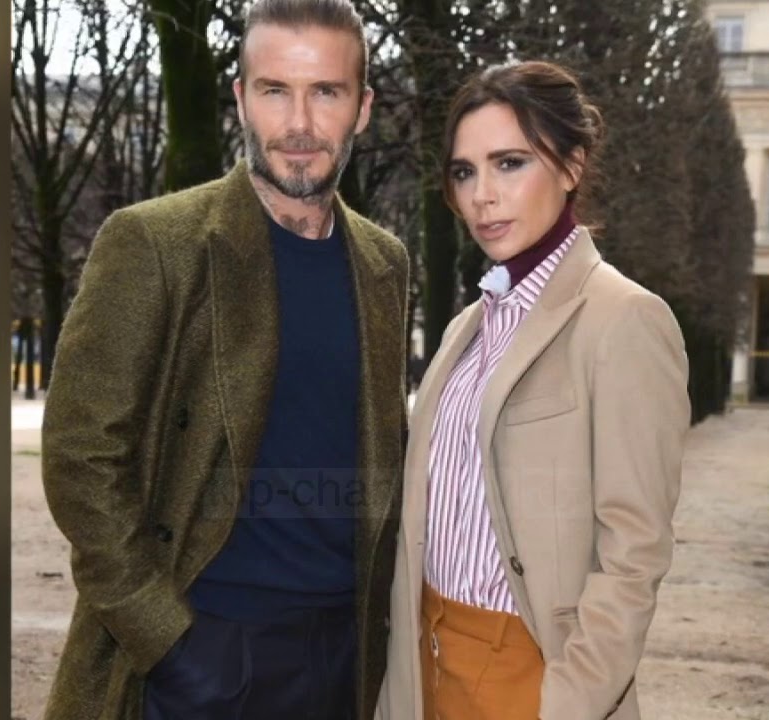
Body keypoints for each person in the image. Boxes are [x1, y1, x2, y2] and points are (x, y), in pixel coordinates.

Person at [39, 1, 409, 718]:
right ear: (240, 98)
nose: (299, 123)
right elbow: (81, 455)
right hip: (202, 649)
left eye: (326, 92)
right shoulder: (154, 243)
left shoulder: (384, 263)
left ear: (362, 108)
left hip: (346, 656)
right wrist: (168, 642)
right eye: (275, 90)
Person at [379, 61, 690, 720]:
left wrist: (566, 704)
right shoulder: (467, 329)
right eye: (464, 172)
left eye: (510, 163)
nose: (482, 195)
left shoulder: (625, 320)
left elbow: (634, 554)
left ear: (572, 166)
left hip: (531, 677)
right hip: (426, 665)